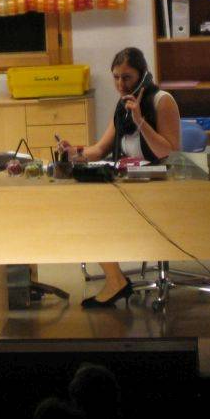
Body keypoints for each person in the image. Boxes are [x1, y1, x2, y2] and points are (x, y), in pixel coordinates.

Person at [59, 47, 181, 308]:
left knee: (94, 216)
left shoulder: (162, 101)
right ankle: (116, 280)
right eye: (115, 77)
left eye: (127, 77)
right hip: (130, 186)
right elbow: (99, 150)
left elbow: (168, 151)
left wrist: (140, 121)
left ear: (143, 75)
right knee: (85, 211)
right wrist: (74, 153)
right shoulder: (122, 106)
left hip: (160, 189)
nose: (120, 84)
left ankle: (116, 282)